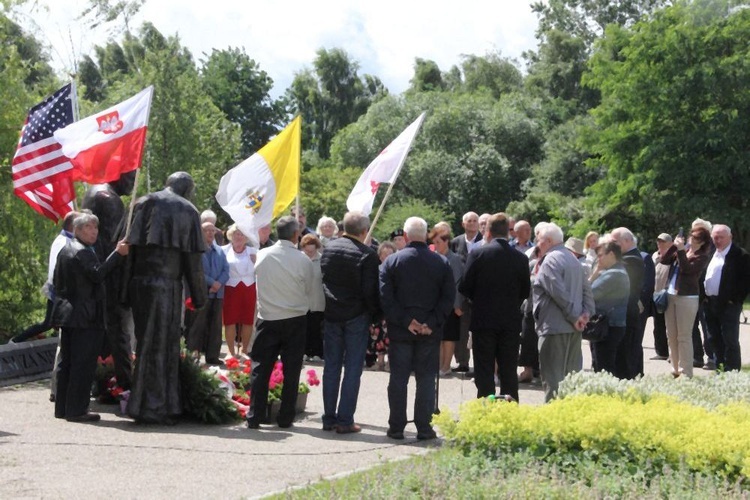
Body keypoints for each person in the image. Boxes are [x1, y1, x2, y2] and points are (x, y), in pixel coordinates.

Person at [125, 172, 207, 425]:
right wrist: (200, 296)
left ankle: (152, 404)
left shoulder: (142, 202)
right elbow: (193, 262)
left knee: (146, 344)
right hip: (166, 286)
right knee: (161, 346)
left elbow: (128, 249)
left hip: (140, 284)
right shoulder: (188, 210)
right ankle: (153, 407)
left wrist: (123, 291)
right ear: (186, 189)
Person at [380, 217, 455, 440]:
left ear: (405, 235)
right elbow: (448, 297)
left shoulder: (391, 262)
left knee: (398, 379)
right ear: (427, 236)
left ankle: (396, 427)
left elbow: (386, 298)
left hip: (402, 330)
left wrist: (406, 321)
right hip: (429, 332)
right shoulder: (441, 262)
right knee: (425, 379)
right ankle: (424, 427)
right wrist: (430, 323)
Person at [53, 212, 129, 422]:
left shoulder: (66, 250)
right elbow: (98, 273)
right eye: (88, 227)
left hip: (69, 315)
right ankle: (76, 410)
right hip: (85, 317)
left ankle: (63, 407)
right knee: (82, 364)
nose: (93, 231)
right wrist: (117, 254)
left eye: (95, 228)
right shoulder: (82, 252)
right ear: (77, 230)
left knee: (67, 363)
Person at [246, 216, 314, 429]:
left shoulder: (263, 255)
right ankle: (285, 417)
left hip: (267, 318)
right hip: (295, 319)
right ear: (296, 235)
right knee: (292, 370)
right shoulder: (304, 260)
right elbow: (309, 290)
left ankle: (254, 415)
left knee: (260, 369)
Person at [319, 212, 380, 434]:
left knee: (331, 367)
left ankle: (328, 418)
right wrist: (375, 316)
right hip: (356, 316)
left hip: (332, 314)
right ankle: (345, 420)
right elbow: (370, 292)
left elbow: (323, 279)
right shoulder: (367, 255)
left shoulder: (329, 249)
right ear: (364, 232)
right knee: (353, 368)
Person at [459, 213, 530, 402]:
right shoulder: (520, 258)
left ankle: (485, 408)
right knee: (508, 369)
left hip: (483, 319)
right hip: (510, 321)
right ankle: (510, 409)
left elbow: (464, 286)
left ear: (488, 232)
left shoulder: (478, 254)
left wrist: (480, 299)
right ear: (509, 232)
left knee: (484, 369)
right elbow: (525, 291)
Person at [81, 171, 136, 391]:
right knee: (118, 331)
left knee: (97, 333)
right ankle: (126, 384)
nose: (132, 186)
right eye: (130, 179)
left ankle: (96, 382)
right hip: (109, 273)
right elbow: (116, 242)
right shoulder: (110, 198)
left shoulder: (95, 191)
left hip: (93, 270)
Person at [533, 223, 594, 402]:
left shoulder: (551, 260)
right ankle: (568, 420)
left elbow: (558, 292)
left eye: (540, 240)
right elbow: (587, 292)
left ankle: (553, 423)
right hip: (573, 329)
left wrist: (576, 317)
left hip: (554, 328)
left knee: (553, 380)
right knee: (570, 380)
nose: (538, 244)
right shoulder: (572, 258)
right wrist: (585, 315)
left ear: (549, 241)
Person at [12, 210, 78, 344]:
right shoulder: (63, 242)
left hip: (60, 289)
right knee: (48, 323)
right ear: (73, 226)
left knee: (57, 323)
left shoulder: (67, 240)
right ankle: (16, 341)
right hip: (58, 289)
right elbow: (57, 269)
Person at [659, 226, 711, 378]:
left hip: (687, 297)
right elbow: (664, 260)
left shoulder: (702, 256)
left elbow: (687, 269)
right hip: (671, 294)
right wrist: (675, 246)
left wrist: (681, 251)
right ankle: (675, 369)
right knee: (671, 334)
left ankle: (686, 371)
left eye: (695, 238)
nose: (691, 239)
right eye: (691, 236)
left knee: (684, 336)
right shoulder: (683, 250)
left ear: (702, 242)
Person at [703, 224, 750, 372]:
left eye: (721, 237)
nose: (718, 240)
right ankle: (720, 368)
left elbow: (746, 281)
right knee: (714, 338)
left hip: (729, 305)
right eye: (715, 237)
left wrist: (734, 300)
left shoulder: (741, 255)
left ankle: (732, 370)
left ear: (730, 237)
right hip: (710, 303)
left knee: (729, 339)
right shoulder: (711, 253)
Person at [187, 221, 229, 365]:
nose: (210, 233)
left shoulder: (220, 251)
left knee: (216, 327)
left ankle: (213, 356)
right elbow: (198, 271)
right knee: (197, 326)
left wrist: (218, 284)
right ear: (201, 232)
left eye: (212, 231)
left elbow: (226, 270)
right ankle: (193, 355)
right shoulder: (197, 250)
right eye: (207, 230)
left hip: (218, 295)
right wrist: (213, 283)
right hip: (201, 293)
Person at [588, 240, 630, 375]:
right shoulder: (613, 271)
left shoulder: (614, 274)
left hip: (608, 327)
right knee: (602, 365)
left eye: (600, 255)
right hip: (609, 325)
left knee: (604, 368)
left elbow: (588, 293)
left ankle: (605, 396)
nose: (598, 259)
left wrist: (594, 274)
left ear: (611, 254)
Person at [610, 227, 645, 380]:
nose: (612, 246)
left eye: (615, 242)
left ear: (627, 241)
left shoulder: (632, 260)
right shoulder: (627, 258)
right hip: (625, 313)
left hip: (627, 314)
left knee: (627, 355)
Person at [430, 226, 465, 378]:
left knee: (449, 337)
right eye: (434, 242)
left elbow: (457, 283)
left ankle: (446, 366)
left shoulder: (455, 259)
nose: (436, 245)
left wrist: (457, 305)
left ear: (446, 242)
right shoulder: (432, 257)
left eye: (438, 242)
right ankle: (438, 365)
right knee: (438, 336)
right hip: (435, 303)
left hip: (451, 304)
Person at [450, 211, 481, 374]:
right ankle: (462, 361)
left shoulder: (484, 241)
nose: (472, 223)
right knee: (462, 329)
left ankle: (481, 363)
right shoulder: (456, 242)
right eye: (469, 221)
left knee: (479, 330)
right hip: (461, 292)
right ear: (463, 224)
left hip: (479, 293)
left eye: (475, 221)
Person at [222, 224, 258, 360]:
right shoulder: (224, 250)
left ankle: (244, 350)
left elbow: (260, 269)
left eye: (242, 234)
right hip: (230, 288)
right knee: (230, 320)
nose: (239, 236)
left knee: (247, 321)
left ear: (246, 237)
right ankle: (231, 351)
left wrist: (256, 261)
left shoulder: (253, 251)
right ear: (231, 235)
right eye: (237, 233)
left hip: (249, 288)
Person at [366, 241, 397, 370]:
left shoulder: (397, 270)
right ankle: (379, 361)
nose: (387, 257)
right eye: (384, 254)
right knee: (377, 336)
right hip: (378, 308)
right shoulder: (375, 271)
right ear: (380, 256)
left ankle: (390, 362)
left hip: (392, 309)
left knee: (390, 337)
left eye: (390, 254)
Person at [300, 233, 325, 361]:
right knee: (303, 328)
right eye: (307, 250)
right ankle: (303, 351)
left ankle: (316, 352)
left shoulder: (322, 260)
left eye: (312, 250)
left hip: (317, 299)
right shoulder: (298, 259)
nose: (310, 253)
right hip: (302, 301)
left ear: (316, 247)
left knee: (316, 328)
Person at [651, 233, 673, 360]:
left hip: (668, 293)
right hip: (656, 293)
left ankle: (672, 353)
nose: (660, 244)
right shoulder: (655, 255)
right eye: (659, 241)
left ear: (670, 243)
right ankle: (661, 352)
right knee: (658, 325)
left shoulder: (673, 256)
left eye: (663, 241)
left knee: (670, 325)